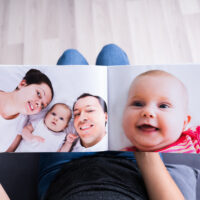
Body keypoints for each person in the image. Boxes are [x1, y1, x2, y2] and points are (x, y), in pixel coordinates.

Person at [122, 69, 200, 153]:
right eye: (138, 104)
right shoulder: (119, 157)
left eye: (163, 106)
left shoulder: (194, 139)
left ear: (184, 123)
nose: (148, 111)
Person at [0, 69, 54, 152]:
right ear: (23, 84)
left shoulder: (21, 124)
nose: (38, 104)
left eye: (42, 105)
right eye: (38, 93)